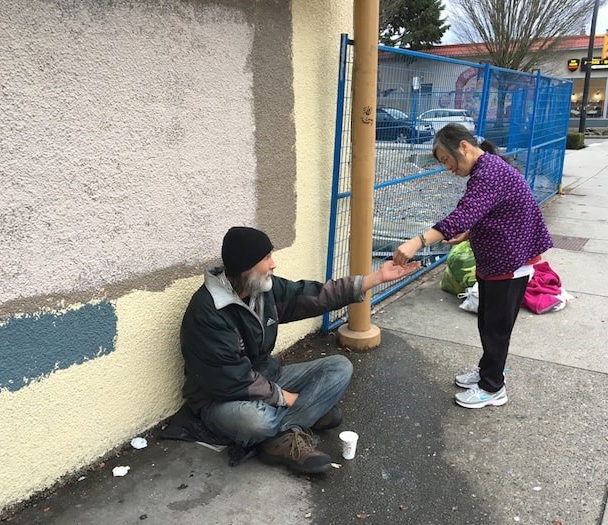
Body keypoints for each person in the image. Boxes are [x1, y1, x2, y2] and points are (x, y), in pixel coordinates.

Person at [180, 226, 420, 474]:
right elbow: (231, 380)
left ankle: (281, 434)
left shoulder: (262, 290)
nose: (274, 264)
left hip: (265, 376)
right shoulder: (208, 312)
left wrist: (376, 278)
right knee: (256, 421)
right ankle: (293, 426)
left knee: (339, 367)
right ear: (246, 266)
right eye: (266, 258)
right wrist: (287, 397)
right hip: (220, 398)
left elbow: (315, 296)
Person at [392, 124, 553, 409]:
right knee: (488, 322)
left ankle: (493, 388)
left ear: (463, 146)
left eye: (446, 159)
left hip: (511, 261)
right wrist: (468, 234)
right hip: (498, 260)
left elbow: (463, 215)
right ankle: (488, 371)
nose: (447, 168)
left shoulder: (488, 172)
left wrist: (416, 242)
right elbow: (488, 211)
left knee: (496, 328)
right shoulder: (486, 169)